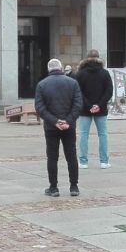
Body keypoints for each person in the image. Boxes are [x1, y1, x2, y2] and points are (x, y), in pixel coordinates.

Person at [34, 58, 83, 197]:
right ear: (61, 68)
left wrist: (55, 121)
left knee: (52, 157)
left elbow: (40, 108)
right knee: (71, 156)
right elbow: (78, 104)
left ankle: (53, 187)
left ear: (48, 69)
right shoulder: (73, 83)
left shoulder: (42, 85)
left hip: (51, 126)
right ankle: (74, 186)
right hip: (69, 126)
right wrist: (67, 120)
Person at [75, 49, 113, 169]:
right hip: (100, 109)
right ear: (98, 58)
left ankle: (83, 161)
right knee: (103, 135)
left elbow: (78, 92)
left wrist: (89, 105)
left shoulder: (80, 73)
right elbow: (109, 91)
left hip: (84, 109)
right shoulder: (104, 73)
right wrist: (99, 105)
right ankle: (104, 161)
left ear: (86, 59)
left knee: (83, 135)